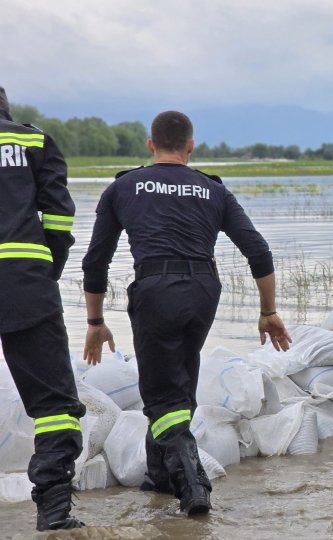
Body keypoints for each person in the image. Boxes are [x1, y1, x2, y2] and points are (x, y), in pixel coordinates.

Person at [82, 111, 292, 515]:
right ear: (190, 146)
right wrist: (268, 310)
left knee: (160, 397)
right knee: (178, 383)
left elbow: (95, 262)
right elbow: (259, 251)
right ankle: (158, 478)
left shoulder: (123, 186)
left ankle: (193, 485)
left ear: (150, 144)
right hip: (203, 291)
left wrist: (94, 322)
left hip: (156, 289)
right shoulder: (213, 189)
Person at [0, 86, 86, 531]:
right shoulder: (33, 141)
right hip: (24, 282)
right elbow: (58, 217)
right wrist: (46, 269)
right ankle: (53, 510)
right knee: (54, 403)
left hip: (25, 279)